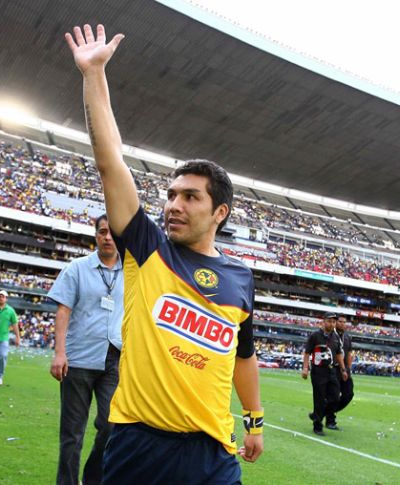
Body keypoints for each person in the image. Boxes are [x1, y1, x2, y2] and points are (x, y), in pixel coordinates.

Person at [64, 24, 263, 484]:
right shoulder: (146, 249)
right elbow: (109, 159)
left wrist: (254, 419)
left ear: (219, 212)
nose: (174, 204)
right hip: (139, 445)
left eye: (190, 197)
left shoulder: (241, 279)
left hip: (214, 451)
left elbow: (243, 356)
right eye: (171, 194)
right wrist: (93, 74)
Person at [47, 214, 124, 485]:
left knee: (111, 425)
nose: (107, 237)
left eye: (112, 232)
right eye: (102, 231)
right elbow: (63, 310)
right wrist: (59, 352)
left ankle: (93, 479)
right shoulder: (77, 268)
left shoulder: (131, 272)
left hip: (113, 359)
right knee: (72, 433)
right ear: (95, 235)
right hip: (78, 358)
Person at [301, 312, 348, 436]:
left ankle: (317, 415)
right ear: (324, 321)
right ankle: (317, 426)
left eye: (334, 322)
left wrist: (343, 369)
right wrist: (305, 368)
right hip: (318, 371)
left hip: (331, 370)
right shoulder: (315, 335)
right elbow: (307, 353)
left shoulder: (335, 337)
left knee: (335, 398)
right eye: (329, 321)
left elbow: (338, 354)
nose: (332, 324)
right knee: (319, 399)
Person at [325, 315, 354, 429]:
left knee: (348, 394)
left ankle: (325, 411)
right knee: (334, 396)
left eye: (344, 322)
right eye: (340, 322)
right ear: (336, 323)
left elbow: (349, 353)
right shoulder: (330, 335)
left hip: (345, 369)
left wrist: (348, 368)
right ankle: (330, 420)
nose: (343, 324)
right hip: (334, 369)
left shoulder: (347, 337)